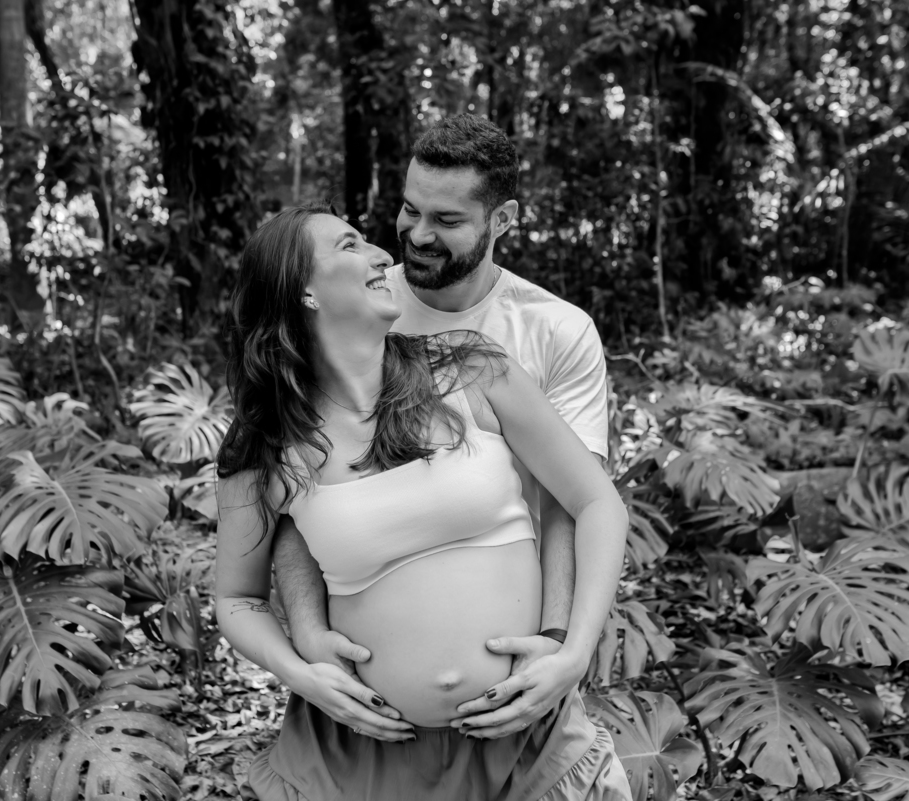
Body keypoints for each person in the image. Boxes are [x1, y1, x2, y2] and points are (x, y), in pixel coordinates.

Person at [215, 201, 630, 799]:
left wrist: (572, 654)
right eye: (350, 245)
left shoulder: (472, 368)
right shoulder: (269, 442)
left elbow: (597, 504)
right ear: (303, 291)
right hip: (359, 755)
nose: (385, 253)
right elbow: (237, 597)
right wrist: (302, 675)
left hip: (528, 741)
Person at [272, 113, 613, 741]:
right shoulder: (362, 305)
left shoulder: (554, 331)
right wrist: (306, 630)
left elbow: (575, 501)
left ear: (502, 219)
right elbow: (302, 491)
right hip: (366, 677)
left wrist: (561, 643)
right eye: (410, 209)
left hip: (517, 647)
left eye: (448, 221)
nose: (417, 235)